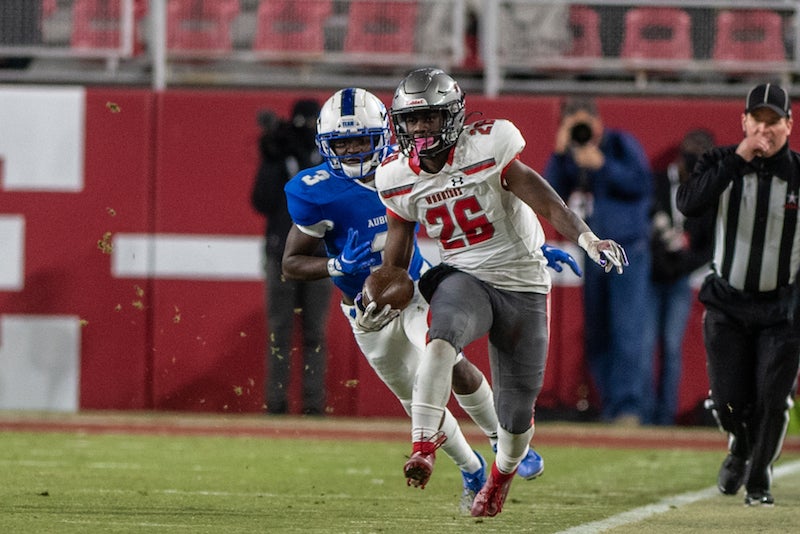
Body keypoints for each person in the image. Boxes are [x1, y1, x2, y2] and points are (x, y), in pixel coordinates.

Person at [281, 87, 576, 513]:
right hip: (365, 310)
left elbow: (483, 200)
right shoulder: (315, 191)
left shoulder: (410, 166)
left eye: (360, 141)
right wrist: (334, 267)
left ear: (382, 135)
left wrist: (527, 250)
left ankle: (500, 437)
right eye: (341, 143)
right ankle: (471, 467)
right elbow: (290, 264)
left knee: (444, 362)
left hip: (415, 286)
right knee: (412, 398)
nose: (350, 151)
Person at [376, 68, 626, 517]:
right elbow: (394, 265)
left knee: (515, 415)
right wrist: (379, 298)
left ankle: (501, 474)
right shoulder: (396, 177)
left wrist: (590, 240)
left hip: (523, 283)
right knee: (442, 337)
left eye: (430, 118)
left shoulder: (489, 145)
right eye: (412, 121)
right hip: (464, 275)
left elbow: (549, 202)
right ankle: (423, 444)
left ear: (451, 116)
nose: (420, 129)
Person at [677, 83, 800, 506]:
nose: (765, 129)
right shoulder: (718, 162)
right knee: (728, 399)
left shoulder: (798, 174)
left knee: (772, 397)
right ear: (744, 122)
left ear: (789, 124)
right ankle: (741, 447)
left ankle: (760, 477)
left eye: (773, 121)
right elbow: (690, 204)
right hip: (728, 301)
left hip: (782, 306)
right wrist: (740, 157)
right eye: (757, 120)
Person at [544, 96, 653, 425]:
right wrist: (560, 152)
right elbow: (548, 192)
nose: (581, 131)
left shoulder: (620, 144)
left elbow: (642, 184)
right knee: (598, 332)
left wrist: (603, 165)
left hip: (628, 250)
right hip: (595, 254)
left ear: (597, 122)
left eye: (583, 124)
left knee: (628, 331)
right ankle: (610, 405)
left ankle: (629, 407)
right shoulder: (572, 156)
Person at [251, 99, 332, 415]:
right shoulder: (281, 153)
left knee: (313, 333)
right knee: (281, 333)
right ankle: (277, 404)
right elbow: (261, 200)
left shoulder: (326, 157)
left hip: (314, 253)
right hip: (287, 252)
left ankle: (313, 405)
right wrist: (275, 158)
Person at [642, 129, 715, 426]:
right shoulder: (657, 182)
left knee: (671, 347)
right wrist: (660, 249)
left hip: (678, 279)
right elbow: (642, 221)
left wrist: (683, 263)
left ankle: (665, 418)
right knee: (645, 346)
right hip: (650, 275)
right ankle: (645, 415)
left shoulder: (707, 193)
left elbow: (708, 245)